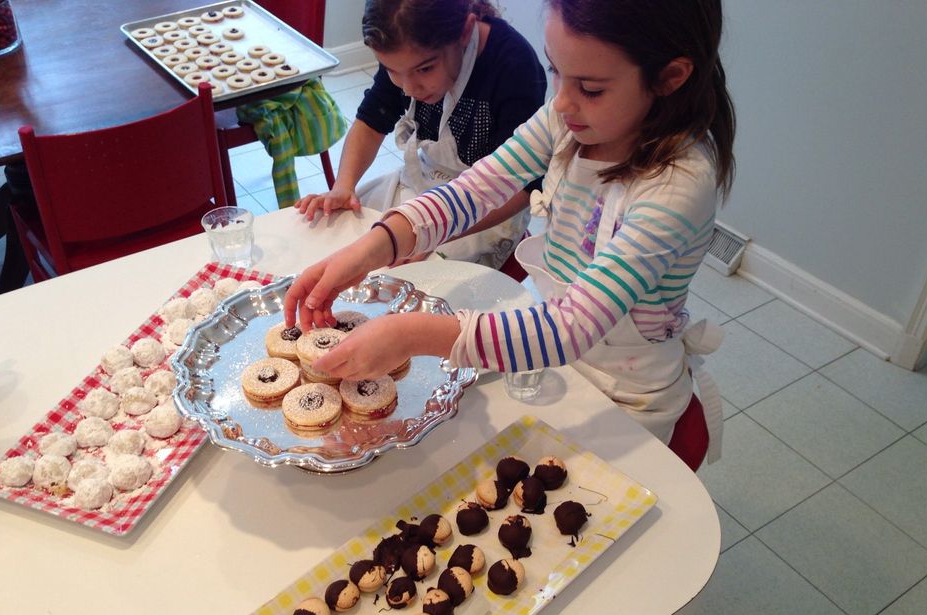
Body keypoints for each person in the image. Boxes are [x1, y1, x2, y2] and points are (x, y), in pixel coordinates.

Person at [286, 0, 737, 467]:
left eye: (591, 87)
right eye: (555, 70)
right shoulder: (568, 120)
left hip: (627, 395)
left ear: (669, 77)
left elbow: (571, 327)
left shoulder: (678, 188)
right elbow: (473, 191)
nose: (561, 101)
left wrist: (411, 334)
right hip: (554, 358)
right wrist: (371, 247)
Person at [295, 0, 547, 269]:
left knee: (414, 276)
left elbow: (522, 185)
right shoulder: (404, 51)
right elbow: (370, 122)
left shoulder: (514, 64)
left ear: (465, 30)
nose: (409, 88)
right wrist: (344, 186)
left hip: (489, 208)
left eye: (425, 69)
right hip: (423, 184)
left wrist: (431, 232)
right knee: (339, 244)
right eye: (392, 71)